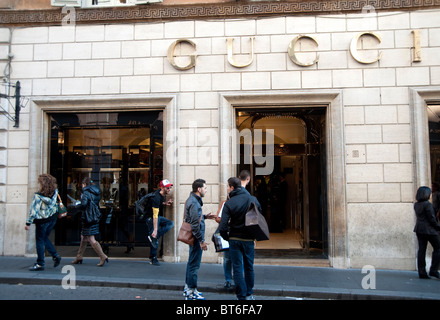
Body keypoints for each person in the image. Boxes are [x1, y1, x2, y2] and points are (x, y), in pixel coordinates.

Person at [219, 177, 262, 300]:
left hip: (234, 239)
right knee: (249, 267)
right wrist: (254, 236)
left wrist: (228, 238)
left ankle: (241, 296)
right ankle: (249, 293)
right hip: (249, 239)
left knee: (237, 267)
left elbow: (223, 226)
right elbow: (259, 216)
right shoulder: (252, 199)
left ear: (232, 187)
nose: (227, 188)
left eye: (227, 186)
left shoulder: (229, 203)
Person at [183, 179, 215, 300]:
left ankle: (189, 288)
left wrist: (206, 216)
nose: (206, 190)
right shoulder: (194, 203)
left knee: (192, 263)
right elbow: (195, 225)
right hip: (196, 239)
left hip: (196, 238)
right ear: (199, 189)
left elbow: (195, 219)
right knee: (194, 265)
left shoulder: (193, 201)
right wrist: (201, 241)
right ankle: (191, 291)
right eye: (205, 188)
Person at [25, 174, 62, 271]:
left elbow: (34, 210)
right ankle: (55, 255)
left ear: (43, 184)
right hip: (52, 218)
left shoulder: (38, 196)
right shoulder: (55, 193)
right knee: (44, 238)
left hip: (42, 221)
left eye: (40, 182)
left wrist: (28, 223)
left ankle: (40, 263)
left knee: (40, 241)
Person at [71, 177, 108, 267]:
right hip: (94, 216)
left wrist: (76, 205)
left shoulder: (86, 192)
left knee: (91, 238)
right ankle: (79, 256)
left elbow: (84, 205)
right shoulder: (96, 191)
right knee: (83, 237)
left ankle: (102, 256)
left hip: (87, 217)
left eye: (82, 185)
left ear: (85, 184)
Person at [145, 179, 174, 266]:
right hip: (151, 218)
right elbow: (155, 216)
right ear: (162, 188)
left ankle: (155, 235)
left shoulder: (161, 194)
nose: (169, 189)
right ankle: (153, 258)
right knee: (154, 236)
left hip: (156, 217)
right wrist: (155, 230)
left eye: (170, 187)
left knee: (170, 223)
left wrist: (165, 203)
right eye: (167, 188)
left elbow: (159, 204)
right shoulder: (156, 198)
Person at [413, 186, 440, 279]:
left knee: (421, 250)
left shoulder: (416, 205)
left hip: (419, 229)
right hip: (429, 230)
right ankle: (433, 270)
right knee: (438, 248)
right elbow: (431, 218)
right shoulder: (427, 204)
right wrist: (437, 227)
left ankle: (422, 271)